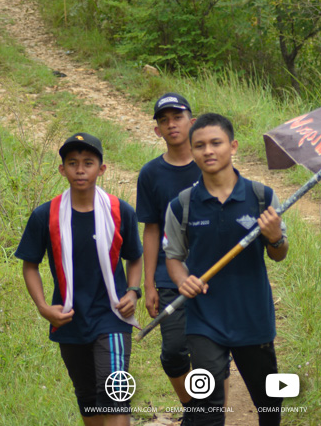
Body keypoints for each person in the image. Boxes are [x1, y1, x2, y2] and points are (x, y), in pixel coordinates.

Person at [165, 113, 290, 426]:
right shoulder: (182, 205)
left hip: (253, 318)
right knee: (207, 403)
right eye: (200, 145)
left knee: (269, 404)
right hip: (204, 319)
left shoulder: (261, 197)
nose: (208, 151)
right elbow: (174, 257)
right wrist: (183, 281)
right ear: (192, 151)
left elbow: (279, 254)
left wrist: (275, 237)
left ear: (232, 146)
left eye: (216, 143)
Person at [16, 132, 143, 426]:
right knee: (88, 400)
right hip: (70, 319)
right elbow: (30, 265)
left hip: (112, 317)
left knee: (114, 395)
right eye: (72, 163)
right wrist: (43, 307)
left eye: (88, 163)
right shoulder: (45, 215)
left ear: (102, 169)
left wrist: (133, 291)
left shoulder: (119, 211)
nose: (80, 170)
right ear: (62, 170)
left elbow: (134, 256)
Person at [136, 93, 200, 422]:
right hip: (167, 276)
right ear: (157, 130)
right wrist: (148, 284)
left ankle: (211, 416)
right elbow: (151, 229)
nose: (171, 124)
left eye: (177, 117)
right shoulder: (151, 173)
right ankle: (192, 408)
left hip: (211, 273)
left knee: (212, 354)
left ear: (192, 121)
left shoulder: (210, 163)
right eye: (164, 120)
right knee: (174, 352)